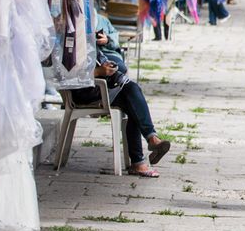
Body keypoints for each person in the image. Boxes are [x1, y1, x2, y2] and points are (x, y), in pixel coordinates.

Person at [73, 14, 172, 176]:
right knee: (132, 93)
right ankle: (148, 146)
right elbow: (67, 75)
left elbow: (111, 43)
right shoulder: (70, 39)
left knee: (132, 95)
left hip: (100, 86)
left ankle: (145, 153)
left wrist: (105, 64)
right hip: (85, 92)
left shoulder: (91, 30)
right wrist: (98, 71)